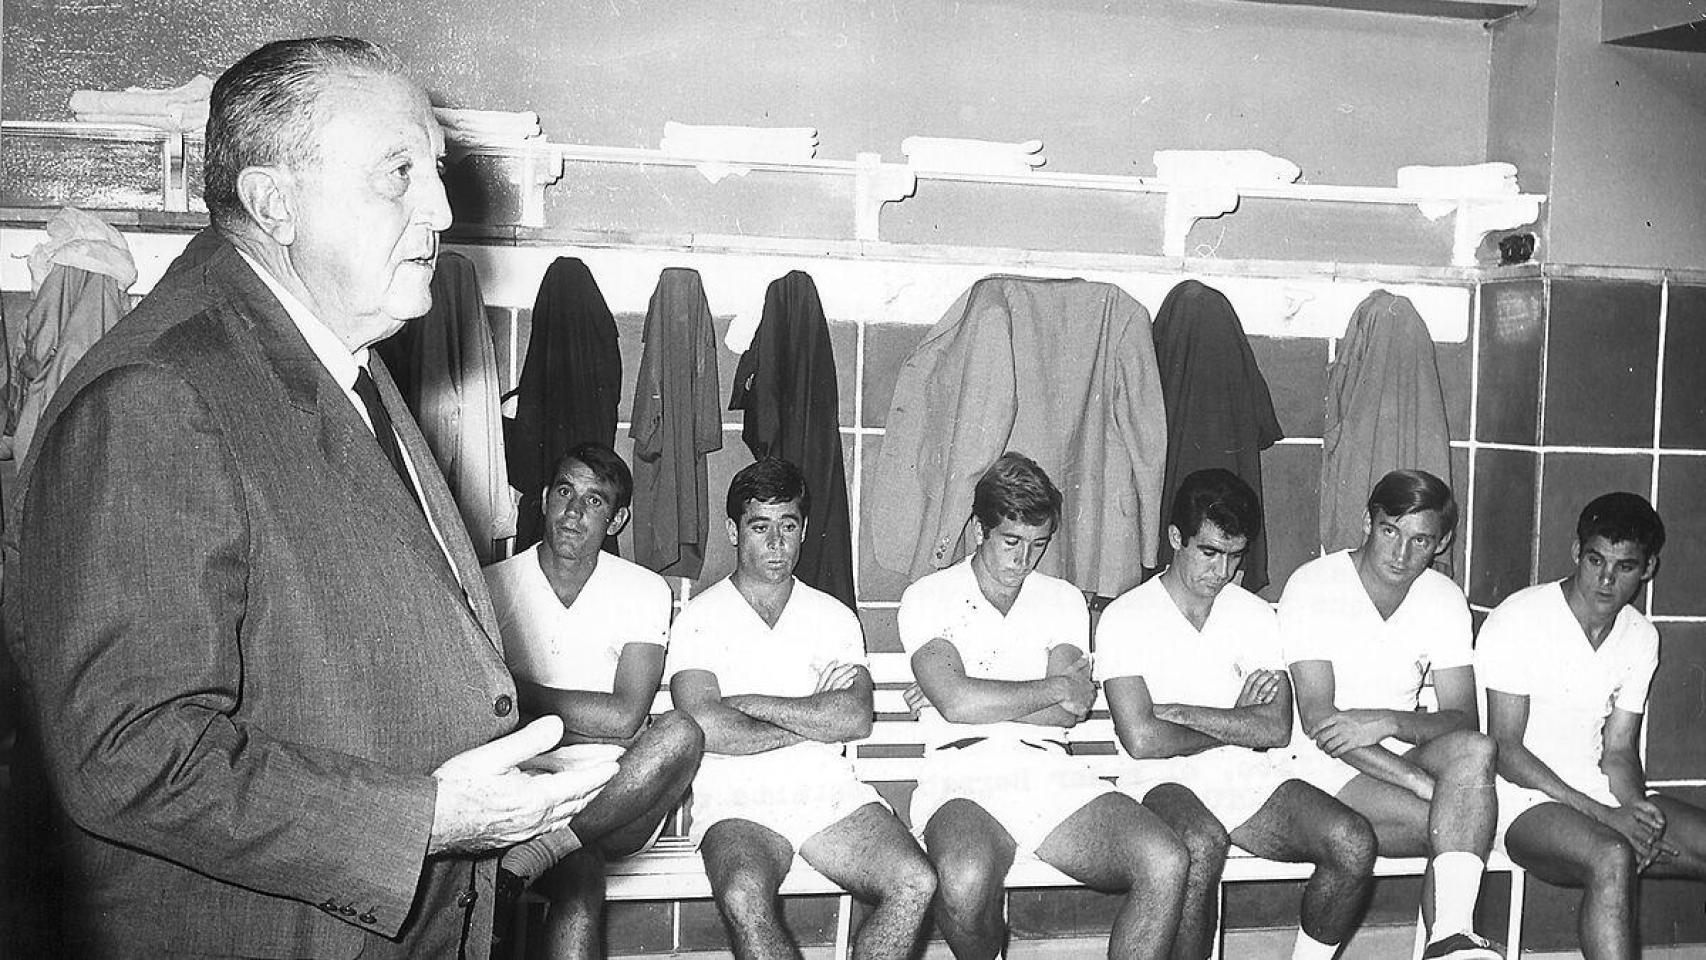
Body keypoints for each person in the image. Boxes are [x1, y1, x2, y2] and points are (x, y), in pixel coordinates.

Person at [5, 37, 615, 959]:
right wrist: (428, 821)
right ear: (273, 204)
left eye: (437, 171)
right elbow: (127, 751)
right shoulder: (160, 394)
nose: (442, 209)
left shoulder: (336, 362)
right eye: (398, 173)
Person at [901, 452, 1189, 960]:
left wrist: (977, 689)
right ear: (978, 530)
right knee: (964, 883)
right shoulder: (930, 596)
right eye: (1010, 542)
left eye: (1038, 545)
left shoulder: (1062, 600)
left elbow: (1068, 708)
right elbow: (957, 703)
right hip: (961, 773)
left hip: (1049, 769)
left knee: (1165, 860)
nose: (1023, 560)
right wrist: (1037, 687)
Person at [1098, 468, 1376, 960]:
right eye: (1209, 552)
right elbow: (1142, 740)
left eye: (1234, 555)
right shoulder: (1127, 616)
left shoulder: (1252, 614)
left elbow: (1273, 726)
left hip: (1246, 777)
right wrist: (1234, 722)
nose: (1221, 572)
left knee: (1353, 843)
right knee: (1199, 842)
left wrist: (1180, 713)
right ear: (1175, 538)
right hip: (1160, 781)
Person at [666, 458, 936, 960]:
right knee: (743, 895)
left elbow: (854, 718)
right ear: (733, 530)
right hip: (736, 796)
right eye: (759, 527)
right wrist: (815, 716)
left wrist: (753, 704)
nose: (775, 543)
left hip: (825, 791)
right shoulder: (700, 619)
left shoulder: (832, 616)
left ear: (804, 530)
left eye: (788, 526)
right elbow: (707, 727)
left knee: (915, 881)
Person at [484, 442, 704, 958]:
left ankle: (550, 845)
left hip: (619, 788)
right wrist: (589, 722)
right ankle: (555, 847)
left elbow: (627, 717)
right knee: (578, 887)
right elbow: (481, 717)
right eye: (565, 491)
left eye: (595, 500)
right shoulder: (491, 585)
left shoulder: (645, 590)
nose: (574, 511)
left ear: (618, 517)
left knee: (681, 732)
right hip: (521, 785)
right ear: (543, 499)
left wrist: (521, 697)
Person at [1279, 469, 1500, 960]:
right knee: (1454, 822)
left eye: (1420, 540)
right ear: (1367, 522)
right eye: (1389, 532)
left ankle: (1450, 939)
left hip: (1397, 752)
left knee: (1477, 752)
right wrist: (1420, 784)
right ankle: (1450, 939)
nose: (1401, 555)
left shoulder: (1443, 598)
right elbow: (1320, 722)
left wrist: (1390, 721)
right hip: (1320, 770)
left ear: (1441, 544)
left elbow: (1464, 718)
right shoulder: (1314, 585)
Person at [1479, 492, 1706, 960]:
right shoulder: (1519, 618)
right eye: (1595, 560)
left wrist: (1635, 812)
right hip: (1520, 801)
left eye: (1624, 567)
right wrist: (1607, 819)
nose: (1605, 579)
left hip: (1596, 793)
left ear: (1648, 569)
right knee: (1612, 855)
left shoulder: (1641, 635)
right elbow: (1505, 750)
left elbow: (1619, 749)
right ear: (1575, 553)